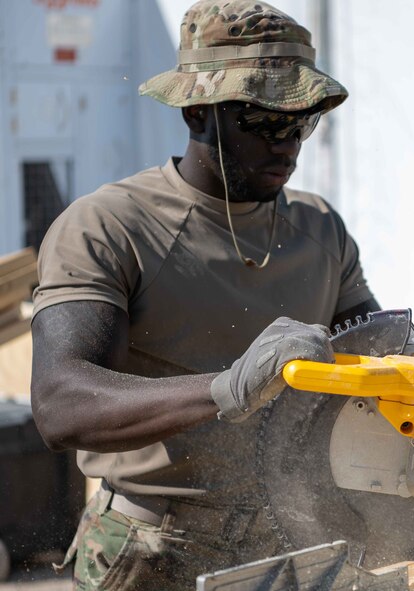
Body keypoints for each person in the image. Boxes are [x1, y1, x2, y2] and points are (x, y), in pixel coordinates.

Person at [29, 1, 379, 589]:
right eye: (265, 122)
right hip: (154, 548)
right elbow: (62, 403)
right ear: (197, 112)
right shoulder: (111, 226)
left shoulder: (320, 229)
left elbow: (381, 358)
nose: (286, 144)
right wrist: (226, 389)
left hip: (296, 540)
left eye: (302, 121)